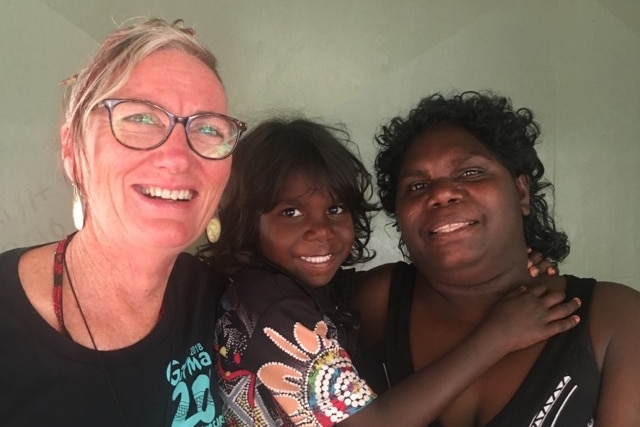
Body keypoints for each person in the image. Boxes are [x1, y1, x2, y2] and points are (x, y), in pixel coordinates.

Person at [203, 118, 581, 427]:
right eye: (290, 212)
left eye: (335, 210)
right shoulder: (272, 306)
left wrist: (515, 262)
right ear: (248, 222)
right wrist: (499, 335)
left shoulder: (302, 290)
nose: (320, 230)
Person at [0, 18, 246, 426]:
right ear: (73, 151)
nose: (178, 157)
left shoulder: (226, 302)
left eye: (207, 128)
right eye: (141, 118)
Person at [354, 91, 640, 426]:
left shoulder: (613, 317)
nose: (441, 193)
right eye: (416, 186)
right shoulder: (374, 300)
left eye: (470, 172)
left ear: (521, 192)